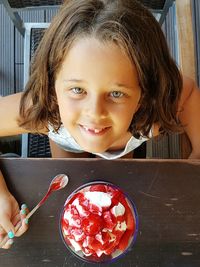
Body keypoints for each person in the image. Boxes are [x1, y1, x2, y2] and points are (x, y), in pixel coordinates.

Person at [0, 0, 200, 249]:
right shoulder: (42, 110)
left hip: (124, 149)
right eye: (77, 89)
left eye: (116, 94)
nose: (94, 114)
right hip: (66, 143)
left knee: (117, 184)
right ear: (52, 86)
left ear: (145, 93)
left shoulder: (155, 112)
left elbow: (189, 91)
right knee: (71, 181)